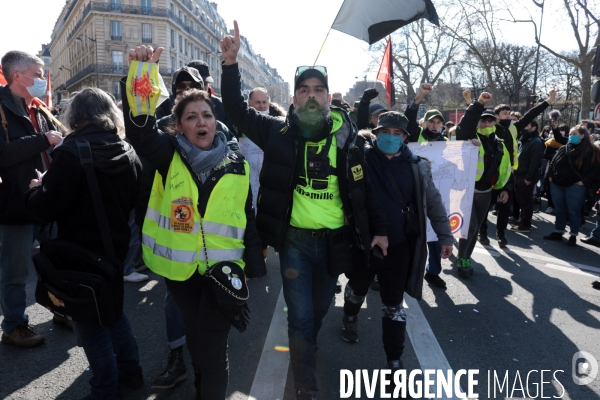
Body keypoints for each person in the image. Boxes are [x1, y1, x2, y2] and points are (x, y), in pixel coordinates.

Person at [220, 21, 388, 400]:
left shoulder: (348, 138)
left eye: (318, 90)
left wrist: (378, 228)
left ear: (328, 97)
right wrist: (230, 65)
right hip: (294, 241)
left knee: (319, 309)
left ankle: (305, 346)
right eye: (304, 90)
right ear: (294, 98)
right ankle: (306, 384)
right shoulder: (278, 132)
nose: (311, 96)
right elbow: (234, 110)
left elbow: (365, 191)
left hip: (335, 243)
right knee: (299, 316)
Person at [125, 45, 266, 400]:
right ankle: (202, 386)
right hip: (181, 272)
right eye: (191, 116)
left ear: (215, 121)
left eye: (206, 114)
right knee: (196, 341)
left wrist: (252, 265)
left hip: (222, 270)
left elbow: (245, 216)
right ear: (178, 125)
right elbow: (140, 128)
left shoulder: (236, 162)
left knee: (215, 350)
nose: (201, 121)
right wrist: (143, 72)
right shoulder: (166, 155)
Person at [26, 87, 144, 399]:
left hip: (79, 255)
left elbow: (45, 209)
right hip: (116, 249)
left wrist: (37, 187)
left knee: (90, 327)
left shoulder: (70, 151)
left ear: (74, 116)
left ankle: (105, 390)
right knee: (114, 315)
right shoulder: (127, 150)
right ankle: (132, 375)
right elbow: (135, 200)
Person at [341, 113, 453, 371]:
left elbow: (433, 202)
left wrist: (445, 235)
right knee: (358, 287)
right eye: (385, 132)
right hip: (363, 244)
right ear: (376, 133)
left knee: (393, 303)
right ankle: (349, 316)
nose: (390, 137)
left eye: (396, 133)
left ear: (405, 137)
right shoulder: (359, 159)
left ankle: (394, 360)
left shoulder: (418, 166)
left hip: (400, 245)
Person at [0, 50, 62, 347]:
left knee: (54, 261)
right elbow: (3, 155)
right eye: (38, 75)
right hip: (15, 203)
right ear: (17, 76)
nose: (42, 80)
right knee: (16, 270)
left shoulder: (37, 108)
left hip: (45, 198)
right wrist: (43, 140)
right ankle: (14, 326)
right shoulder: (1, 108)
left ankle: (61, 309)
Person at [455, 91, 512, 276]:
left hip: (486, 193)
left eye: (490, 121)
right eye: (482, 120)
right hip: (466, 191)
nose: (486, 124)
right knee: (469, 227)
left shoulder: (500, 144)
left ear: (494, 123)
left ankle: (466, 257)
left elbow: (505, 169)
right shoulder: (469, 138)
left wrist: (505, 189)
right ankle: (461, 258)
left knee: (476, 228)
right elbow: (466, 123)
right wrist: (479, 103)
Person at [404, 83, 449, 289]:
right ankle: (410, 272)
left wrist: (471, 146)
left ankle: (433, 272)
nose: (435, 125)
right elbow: (410, 119)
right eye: (432, 121)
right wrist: (420, 96)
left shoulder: (448, 142)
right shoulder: (415, 137)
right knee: (416, 236)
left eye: (439, 122)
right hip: (413, 193)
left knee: (435, 236)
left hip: (434, 194)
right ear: (425, 124)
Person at [543, 125, 600, 246]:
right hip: (557, 184)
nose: (571, 136)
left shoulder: (591, 151)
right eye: (570, 134)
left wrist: (583, 181)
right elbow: (553, 163)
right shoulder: (564, 148)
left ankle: (573, 235)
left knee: (573, 211)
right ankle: (558, 231)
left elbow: (596, 170)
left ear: (582, 136)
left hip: (576, 187)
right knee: (560, 210)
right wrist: (550, 176)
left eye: (574, 134)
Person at [511, 120, 545, 233]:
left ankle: (525, 225)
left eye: (527, 125)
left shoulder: (536, 142)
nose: (523, 128)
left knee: (526, 201)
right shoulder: (525, 139)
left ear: (534, 128)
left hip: (525, 176)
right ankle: (522, 220)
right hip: (520, 174)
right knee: (520, 199)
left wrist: (529, 178)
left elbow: (535, 162)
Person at [542, 123, 570, 213]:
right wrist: (556, 157)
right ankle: (550, 205)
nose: (561, 132)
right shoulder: (551, 142)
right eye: (559, 130)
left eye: (563, 130)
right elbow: (546, 154)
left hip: (565, 171)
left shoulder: (568, 142)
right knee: (550, 189)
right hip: (552, 169)